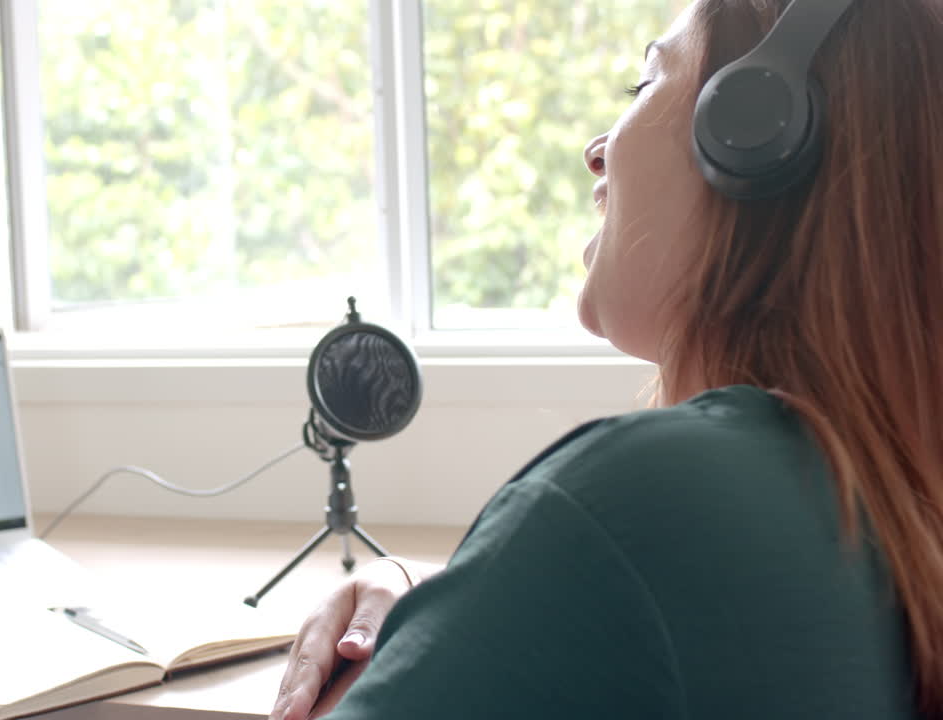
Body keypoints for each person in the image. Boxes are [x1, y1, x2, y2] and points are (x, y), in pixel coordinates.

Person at [269, 0, 943, 718]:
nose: (597, 150)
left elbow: (631, 553)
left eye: (645, 85)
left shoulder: (648, 501)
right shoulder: (878, 496)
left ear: (752, 125)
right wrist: (462, 612)